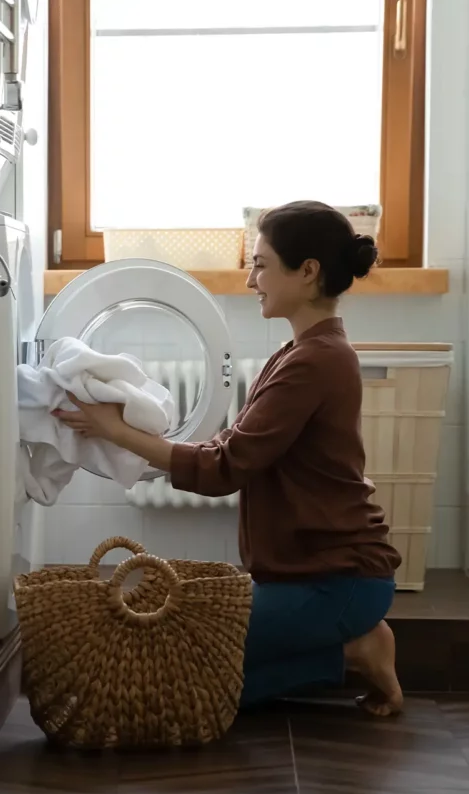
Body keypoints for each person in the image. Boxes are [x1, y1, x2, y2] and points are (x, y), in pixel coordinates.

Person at [54, 200, 405, 717]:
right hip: (309, 575)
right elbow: (230, 450)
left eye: (261, 264)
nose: (250, 280)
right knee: (196, 677)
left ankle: (358, 647)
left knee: (189, 687)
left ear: (307, 272)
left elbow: (224, 468)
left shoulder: (314, 361)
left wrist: (117, 430)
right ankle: (350, 651)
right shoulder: (301, 353)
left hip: (337, 582)